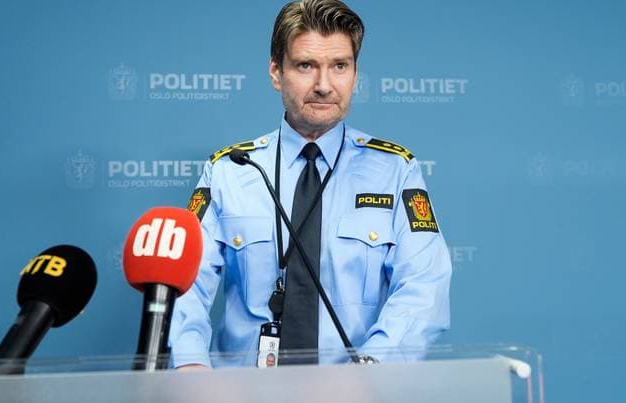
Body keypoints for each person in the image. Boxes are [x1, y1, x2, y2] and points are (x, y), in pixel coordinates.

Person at [170, 0, 451, 369]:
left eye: (340, 66)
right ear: (276, 72)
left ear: (355, 74)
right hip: (244, 390)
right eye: (306, 65)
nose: (323, 86)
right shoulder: (229, 171)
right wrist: (190, 367)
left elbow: (424, 286)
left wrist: (369, 372)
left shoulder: (395, 171)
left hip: (357, 389)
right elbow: (184, 287)